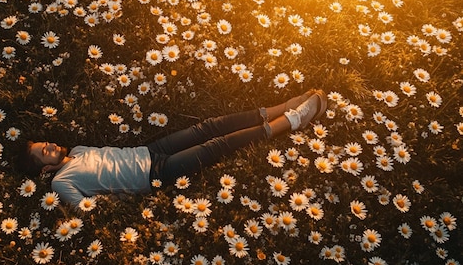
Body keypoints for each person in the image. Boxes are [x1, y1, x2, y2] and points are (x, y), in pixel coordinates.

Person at [17, 90, 327, 207]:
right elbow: (88, 211)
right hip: (155, 174)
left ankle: (280, 107)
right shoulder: (60, 182)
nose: (50, 146)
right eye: (44, 153)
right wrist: (125, 196)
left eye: (44, 143)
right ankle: (291, 121)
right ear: (45, 169)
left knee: (208, 126)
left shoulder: (80, 149)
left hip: (149, 151)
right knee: (214, 146)